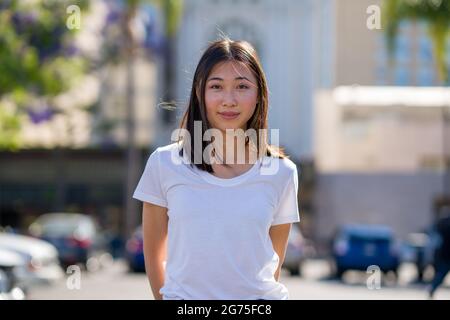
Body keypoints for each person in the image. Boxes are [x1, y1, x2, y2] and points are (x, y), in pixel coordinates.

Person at [133, 38, 300, 300]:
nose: (229, 100)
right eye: (216, 87)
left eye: (242, 86)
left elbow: (272, 264)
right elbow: (154, 255)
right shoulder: (163, 163)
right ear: (200, 93)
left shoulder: (282, 172)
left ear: (259, 95)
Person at [428, 206, 450, 299]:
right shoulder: (445, 225)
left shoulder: (440, 224)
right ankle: (432, 289)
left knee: (440, 274)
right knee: (441, 274)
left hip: (442, 253)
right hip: (446, 253)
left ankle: (432, 289)